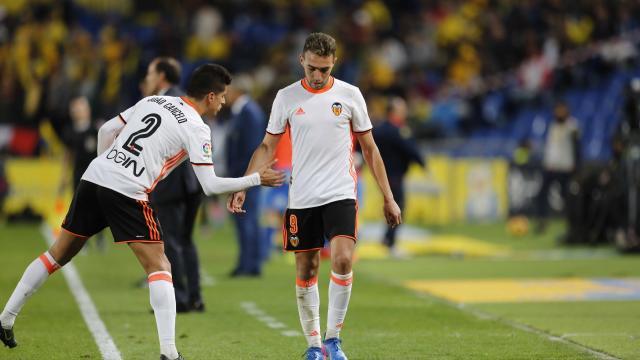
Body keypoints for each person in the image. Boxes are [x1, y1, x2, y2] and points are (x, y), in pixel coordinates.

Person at [0, 63, 284, 360]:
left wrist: (107, 165)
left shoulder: (154, 100)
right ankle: (170, 354)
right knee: (160, 266)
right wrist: (255, 179)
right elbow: (210, 185)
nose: (225, 101)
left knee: (58, 253)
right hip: (128, 190)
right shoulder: (197, 127)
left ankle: (6, 317)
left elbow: (107, 129)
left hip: (95, 176)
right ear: (210, 96)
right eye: (223, 95)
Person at [227, 33, 401, 360]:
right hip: (303, 196)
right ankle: (313, 346)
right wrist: (243, 184)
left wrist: (388, 197)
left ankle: (333, 341)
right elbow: (267, 146)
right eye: (311, 69)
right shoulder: (286, 97)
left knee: (343, 259)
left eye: (323, 69)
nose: (317, 76)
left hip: (340, 192)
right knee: (306, 269)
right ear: (301, 62)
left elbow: (370, 148)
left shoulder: (350, 95)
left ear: (333, 62)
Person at [144, 57, 206, 312]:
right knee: (186, 240)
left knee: (171, 240)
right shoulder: (185, 99)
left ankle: (179, 297)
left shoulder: (163, 102)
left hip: (173, 183)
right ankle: (194, 296)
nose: (146, 79)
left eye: (150, 73)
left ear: (161, 77)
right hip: (192, 182)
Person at [225, 74, 268, 277]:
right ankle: (246, 263)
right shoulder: (243, 111)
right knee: (244, 220)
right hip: (243, 176)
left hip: (246, 177)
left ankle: (250, 265)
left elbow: (252, 148)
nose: (226, 94)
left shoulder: (249, 112)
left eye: (229, 90)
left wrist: (243, 178)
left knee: (247, 220)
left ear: (239, 91)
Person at [372, 96, 425, 257]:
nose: (405, 113)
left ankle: (387, 239)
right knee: (397, 208)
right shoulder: (398, 131)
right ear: (394, 112)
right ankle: (390, 242)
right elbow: (411, 150)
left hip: (381, 175)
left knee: (391, 207)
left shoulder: (378, 130)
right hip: (394, 175)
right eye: (402, 110)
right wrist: (422, 163)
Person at [536, 101, 580, 233]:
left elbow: (577, 147)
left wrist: (576, 165)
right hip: (551, 167)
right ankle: (542, 221)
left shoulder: (572, 126)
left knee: (567, 197)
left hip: (565, 168)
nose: (559, 112)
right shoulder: (552, 125)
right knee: (541, 194)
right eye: (557, 110)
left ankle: (571, 223)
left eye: (561, 109)